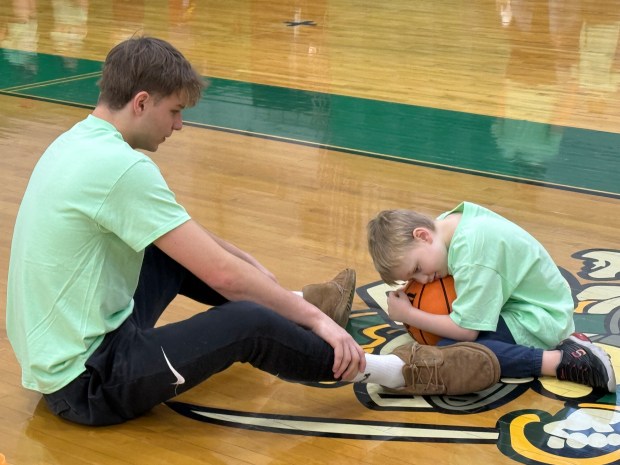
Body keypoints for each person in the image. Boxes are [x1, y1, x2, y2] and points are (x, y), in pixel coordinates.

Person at [6, 37, 501, 427]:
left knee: (176, 256)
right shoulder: (120, 170)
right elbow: (225, 276)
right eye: (175, 111)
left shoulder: (82, 141)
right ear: (140, 102)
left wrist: (277, 291)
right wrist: (314, 320)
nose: (179, 126)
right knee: (248, 322)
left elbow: (190, 239)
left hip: (72, 350)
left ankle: (295, 305)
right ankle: (397, 372)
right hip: (87, 385)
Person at [367, 202, 617, 393]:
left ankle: (564, 361)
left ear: (422, 235)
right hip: (522, 306)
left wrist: (409, 314)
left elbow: (466, 331)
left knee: (454, 352)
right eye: (413, 278)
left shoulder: (473, 251)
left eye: (417, 269)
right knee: (447, 348)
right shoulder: (448, 225)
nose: (422, 280)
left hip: (539, 317)